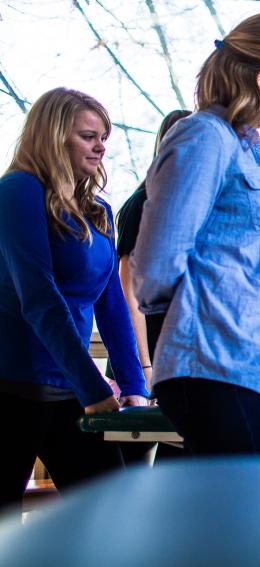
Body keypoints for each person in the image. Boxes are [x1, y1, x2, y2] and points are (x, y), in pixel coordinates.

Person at [131, 12, 260, 457]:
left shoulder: (247, 147)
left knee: (243, 524)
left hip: (248, 375)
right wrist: (218, 365)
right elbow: (156, 269)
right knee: (247, 525)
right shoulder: (203, 137)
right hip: (217, 370)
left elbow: (252, 277)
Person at [0, 88, 148, 510]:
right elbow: (40, 298)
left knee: (112, 509)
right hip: (11, 388)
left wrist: (135, 385)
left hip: (68, 389)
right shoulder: (17, 191)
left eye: (104, 137)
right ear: (54, 136)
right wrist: (92, 383)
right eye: (88, 136)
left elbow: (112, 303)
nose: (101, 146)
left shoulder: (97, 209)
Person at [104, 109, 191, 465]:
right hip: (142, 363)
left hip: (177, 367)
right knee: (129, 470)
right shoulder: (143, 204)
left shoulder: (185, 209)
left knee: (175, 470)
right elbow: (128, 292)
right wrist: (144, 369)